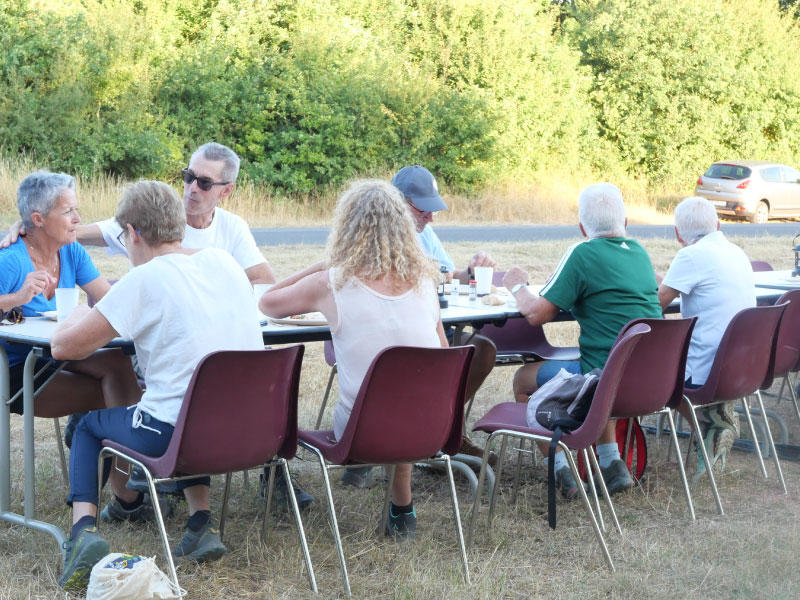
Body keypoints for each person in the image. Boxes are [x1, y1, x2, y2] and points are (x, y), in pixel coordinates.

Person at [50, 180, 265, 590]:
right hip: (252, 431)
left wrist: (79, 312)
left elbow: (64, 347)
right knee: (193, 398)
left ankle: (82, 535)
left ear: (131, 233)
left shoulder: (144, 278)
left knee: (91, 427)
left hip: (179, 436)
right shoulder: (223, 262)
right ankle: (200, 522)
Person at [259, 179, 447, 541]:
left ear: (345, 227)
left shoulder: (333, 282)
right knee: (405, 395)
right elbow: (440, 355)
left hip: (361, 432)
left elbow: (268, 301)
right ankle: (402, 508)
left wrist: (322, 265)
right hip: (429, 426)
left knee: (386, 401)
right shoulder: (425, 284)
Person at [502, 183, 662, 498]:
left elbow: (536, 314)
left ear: (581, 228)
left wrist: (517, 286)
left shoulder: (582, 252)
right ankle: (611, 464)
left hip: (606, 381)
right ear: (626, 223)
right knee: (598, 365)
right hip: (647, 381)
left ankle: (562, 470)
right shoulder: (641, 252)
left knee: (524, 378)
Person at [1, 143, 275, 285]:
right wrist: (32, 225)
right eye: (188, 176)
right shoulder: (153, 213)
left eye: (204, 183)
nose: (192, 188)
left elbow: (264, 279)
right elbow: (68, 232)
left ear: (226, 191)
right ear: (133, 233)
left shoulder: (233, 226)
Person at [0, 170, 141, 418]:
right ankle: (111, 447)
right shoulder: (10, 260)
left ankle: (122, 448)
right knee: (107, 392)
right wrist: (16, 299)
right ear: (38, 219)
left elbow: (110, 301)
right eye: (68, 212)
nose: (78, 218)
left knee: (118, 362)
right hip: (14, 369)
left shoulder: (70, 251)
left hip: (54, 355)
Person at [389, 165, 498, 462]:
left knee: (483, 350)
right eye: (424, 210)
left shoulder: (425, 232)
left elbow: (448, 274)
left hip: (434, 326)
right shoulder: (378, 235)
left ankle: (443, 429)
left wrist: (473, 272)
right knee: (451, 353)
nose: (431, 217)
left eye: (433, 209)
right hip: (399, 336)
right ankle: (428, 433)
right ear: (398, 203)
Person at [657, 196, 755, 479]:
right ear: (719, 224)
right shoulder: (737, 252)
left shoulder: (690, 256)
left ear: (678, 234)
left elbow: (656, 305)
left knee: (662, 382)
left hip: (707, 368)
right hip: (743, 365)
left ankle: (706, 430)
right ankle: (715, 418)